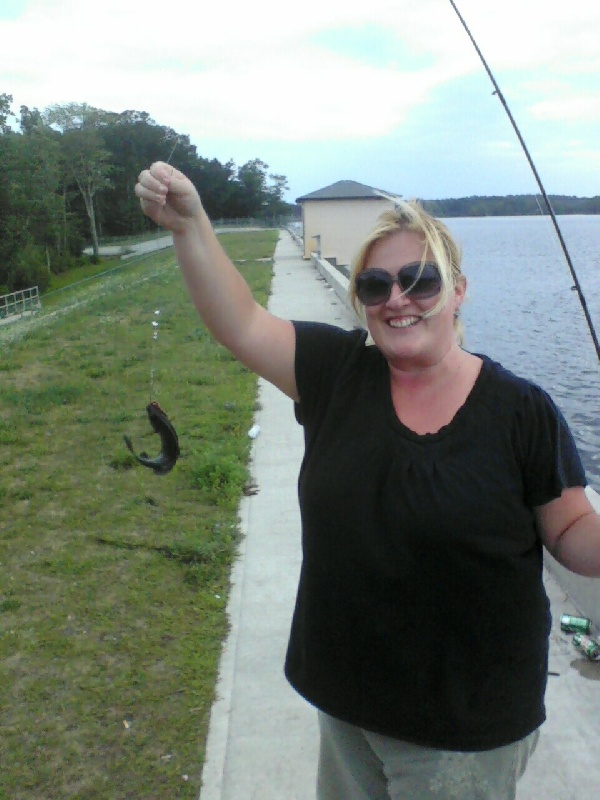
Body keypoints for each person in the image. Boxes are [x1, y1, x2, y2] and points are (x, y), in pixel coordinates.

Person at [135, 162, 600, 800]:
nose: (397, 300)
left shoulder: (521, 410)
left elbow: (572, 528)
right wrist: (190, 224)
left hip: (463, 724)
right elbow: (240, 322)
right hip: (347, 702)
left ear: (458, 290)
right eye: (376, 285)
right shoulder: (335, 371)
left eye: (420, 280)